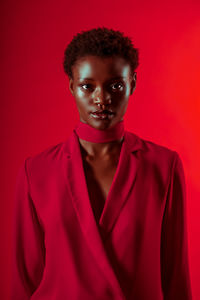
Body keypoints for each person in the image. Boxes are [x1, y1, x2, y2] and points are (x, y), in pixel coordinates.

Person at [11, 27, 192, 299]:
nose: (101, 99)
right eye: (87, 86)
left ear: (133, 83)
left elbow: (175, 277)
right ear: (71, 86)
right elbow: (22, 281)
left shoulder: (163, 167)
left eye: (115, 85)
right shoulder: (36, 171)